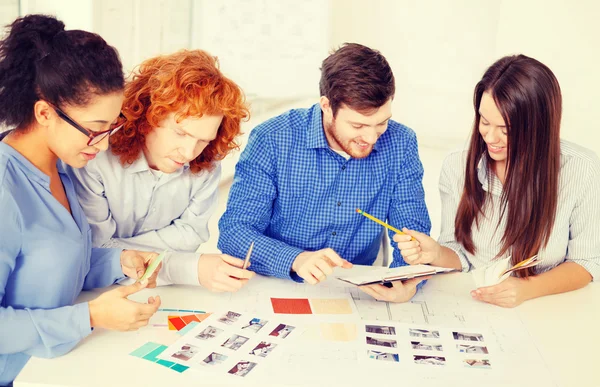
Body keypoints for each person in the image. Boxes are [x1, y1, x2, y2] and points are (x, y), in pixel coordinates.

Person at [0, 15, 161, 386]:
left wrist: (119, 261)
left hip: (59, 366)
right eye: (94, 130)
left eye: (110, 128)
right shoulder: (6, 191)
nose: (102, 145)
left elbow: (48, 266)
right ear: (44, 113)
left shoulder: (63, 166)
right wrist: (90, 317)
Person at [218, 43, 431, 303]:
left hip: (357, 291)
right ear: (326, 106)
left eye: (382, 123)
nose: (372, 137)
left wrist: (406, 281)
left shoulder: (401, 142)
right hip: (277, 283)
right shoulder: (272, 139)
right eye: (358, 125)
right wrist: (295, 259)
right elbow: (235, 233)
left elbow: (414, 233)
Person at [396, 55, 600, 307]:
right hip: (476, 305)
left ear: (538, 127)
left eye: (505, 129)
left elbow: (586, 262)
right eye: (484, 121)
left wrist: (528, 289)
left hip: (548, 308)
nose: (490, 137)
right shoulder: (457, 166)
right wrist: (436, 254)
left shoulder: (581, 169)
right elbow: (460, 255)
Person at [67, 50, 254, 292]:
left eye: (203, 140)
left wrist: (126, 252)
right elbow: (95, 249)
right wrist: (186, 266)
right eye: (181, 133)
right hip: (95, 292)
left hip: (162, 291)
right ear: (148, 117)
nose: (188, 153)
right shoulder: (96, 157)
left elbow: (190, 236)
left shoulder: (206, 163)